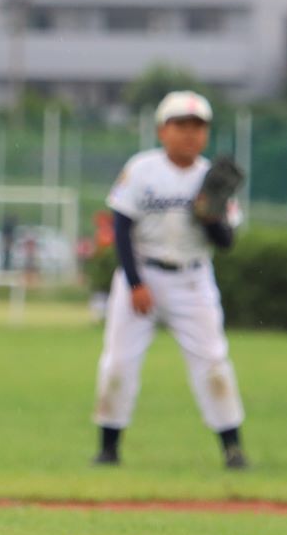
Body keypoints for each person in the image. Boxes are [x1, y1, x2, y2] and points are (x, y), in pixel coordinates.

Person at [91, 91, 248, 470]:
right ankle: (108, 449)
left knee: (213, 362)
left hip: (192, 279)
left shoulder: (210, 179)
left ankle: (233, 449)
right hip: (143, 272)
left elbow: (226, 243)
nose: (190, 134)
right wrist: (135, 283)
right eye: (181, 125)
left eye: (198, 126)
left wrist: (211, 217)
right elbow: (121, 228)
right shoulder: (142, 170)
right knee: (118, 362)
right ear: (162, 130)